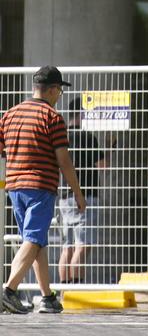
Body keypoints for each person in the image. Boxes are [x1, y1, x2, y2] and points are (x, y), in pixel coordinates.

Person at [0, 65, 86, 315]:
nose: (60, 95)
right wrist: (78, 193)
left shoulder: (10, 114)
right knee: (34, 239)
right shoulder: (52, 117)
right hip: (41, 186)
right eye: (59, 90)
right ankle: (9, 291)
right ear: (51, 90)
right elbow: (64, 160)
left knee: (36, 241)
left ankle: (47, 297)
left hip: (14, 187)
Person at [58, 97, 103, 284]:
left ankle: (63, 293)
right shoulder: (87, 137)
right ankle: (76, 289)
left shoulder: (63, 136)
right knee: (82, 246)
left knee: (66, 247)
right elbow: (103, 165)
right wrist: (110, 145)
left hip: (63, 198)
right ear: (83, 115)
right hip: (85, 196)